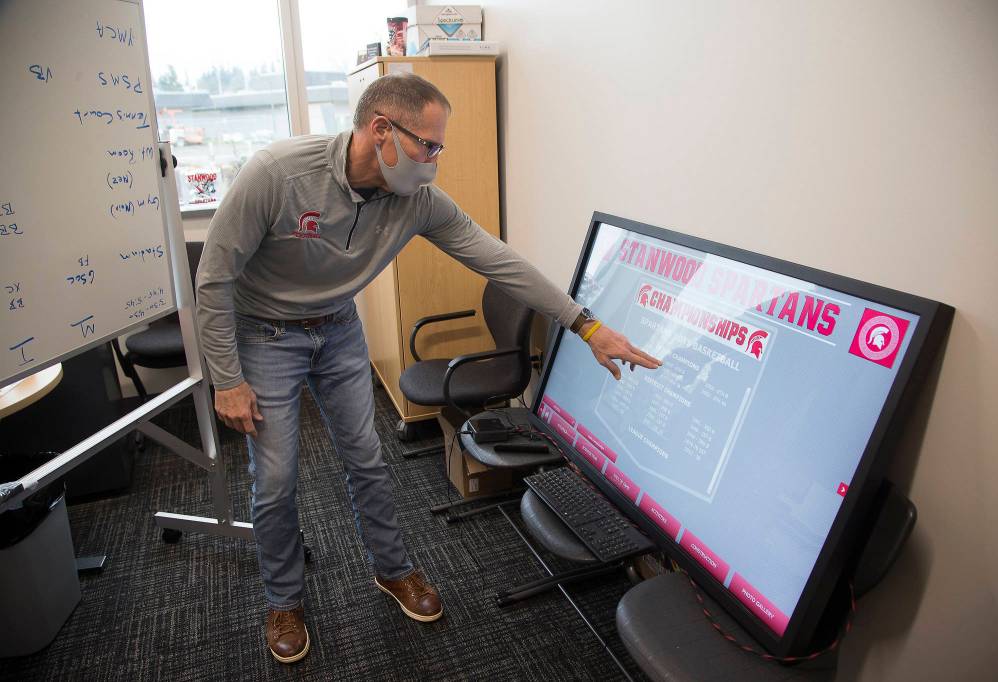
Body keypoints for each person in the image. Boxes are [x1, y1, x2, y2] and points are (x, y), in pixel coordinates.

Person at [194, 72, 661, 664]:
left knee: (366, 457)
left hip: (336, 328)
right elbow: (213, 278)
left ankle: (393, 571)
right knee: (278, 476)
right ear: (380, 129)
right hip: (264, 334)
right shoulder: (277, 174)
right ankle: (284, 599)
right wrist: (228, 378)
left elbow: (499, 259)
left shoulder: (415, 201)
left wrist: (587, 326)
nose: (433, 162)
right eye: (428, 146)